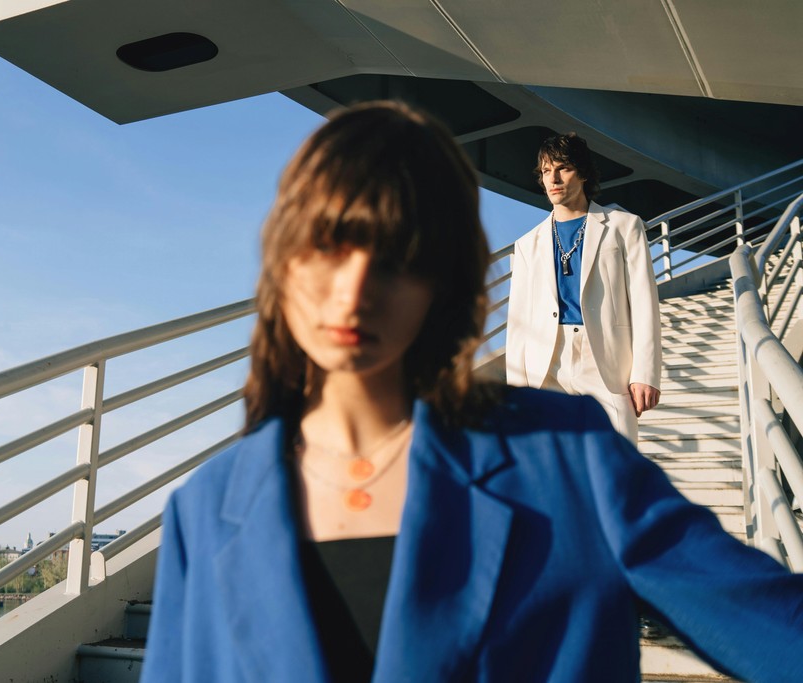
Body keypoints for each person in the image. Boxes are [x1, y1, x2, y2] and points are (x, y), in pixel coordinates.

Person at [141, 102, 803, 682]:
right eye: (329, 246)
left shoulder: (570, 460)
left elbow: (765, 619)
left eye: (397, 256)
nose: (355, 289)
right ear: (282, 261)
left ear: (445, 280)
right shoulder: (204, 513)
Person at [506, 132, 661, 442]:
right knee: (553, 459)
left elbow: (644, 304)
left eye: (563, 168)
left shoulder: (624, 227)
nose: (553, 179)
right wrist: (515, 389)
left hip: (605, 359)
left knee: (616, 456)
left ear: (584, 173)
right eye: (546, 171)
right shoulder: (527, 244)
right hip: (545, 361)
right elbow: (518, 322)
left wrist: (645, 373)